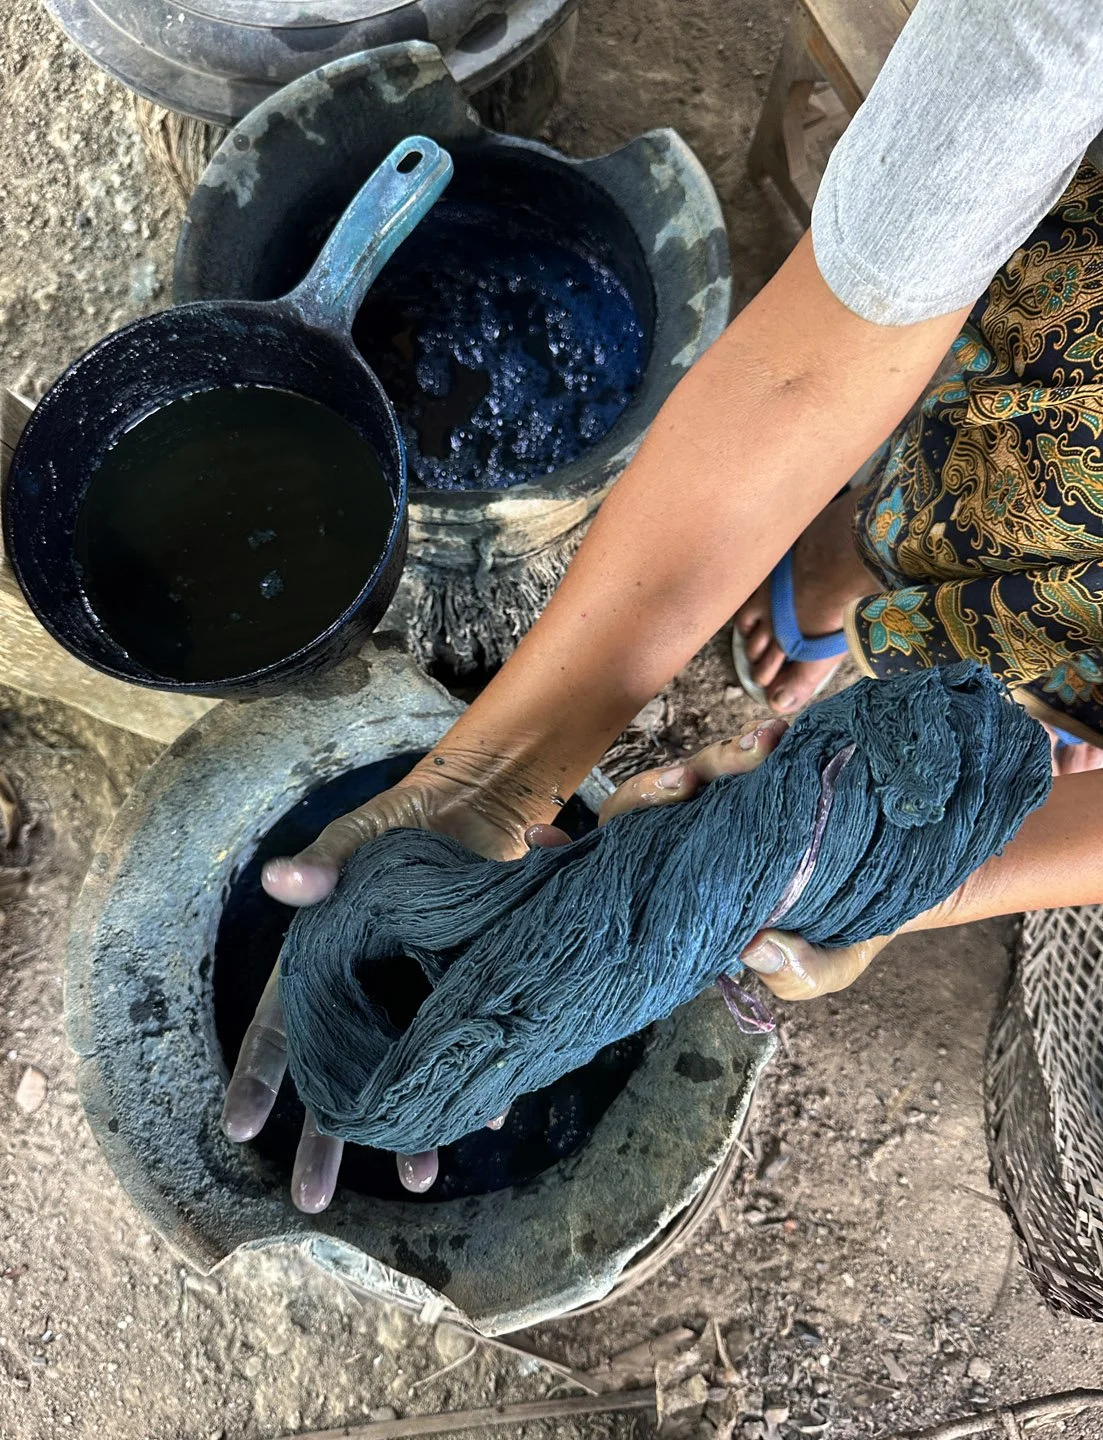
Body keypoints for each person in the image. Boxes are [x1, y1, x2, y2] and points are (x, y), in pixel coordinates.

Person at [222, 0, 1103, 1212]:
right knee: (956, 490)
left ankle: (942, 632)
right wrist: (492, 772)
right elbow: (811, 362)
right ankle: (849, 554)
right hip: (1050, 420)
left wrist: (929, 875)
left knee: (1019, 659)